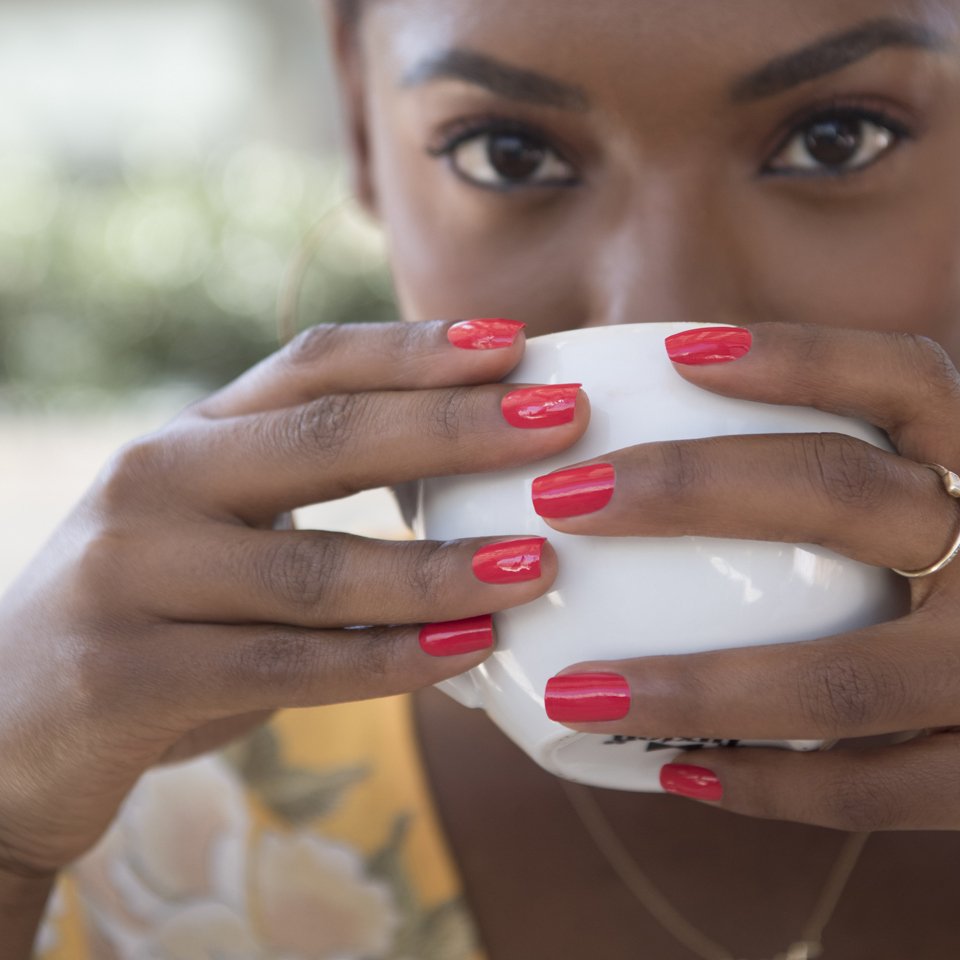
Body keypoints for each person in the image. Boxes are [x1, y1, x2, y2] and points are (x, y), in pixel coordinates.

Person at [4, 1, 960, 957]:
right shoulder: (125, 797)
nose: (663, 314)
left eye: (840, 141)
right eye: (507, 152)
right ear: (362, 124)